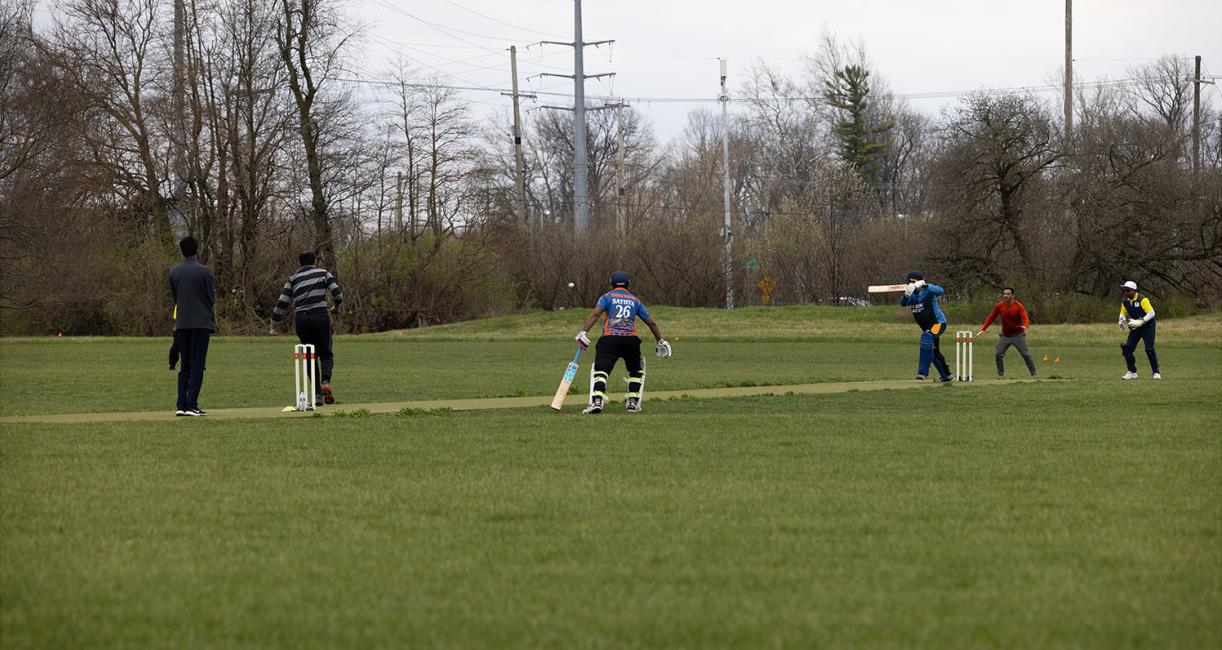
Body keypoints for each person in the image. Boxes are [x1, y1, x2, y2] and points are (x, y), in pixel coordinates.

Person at [574, 271, 671, 414]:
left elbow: (595, 314)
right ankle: (632, 402)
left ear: (612, 284)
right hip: (630, 341)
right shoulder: (635, 300)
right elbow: (651, 322)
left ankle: (597, 401)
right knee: (635, 371)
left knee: (601, 371)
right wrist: (660, 341)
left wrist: (584, 331)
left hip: (609, 339)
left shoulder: (607, 297)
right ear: (628, 284)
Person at [270, 251, 344, 404]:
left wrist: (274, 325)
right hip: (320, 317)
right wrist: (337, 308)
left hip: (302, 320)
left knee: (310, 356)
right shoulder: (323, 273)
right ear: (315, 261)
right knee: (326, 353)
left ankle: (317, 395)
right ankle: (325, 382)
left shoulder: (293, 279)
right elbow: (337, 293)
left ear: (300, 263)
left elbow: (282, 303)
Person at [169, 236, 216, 416]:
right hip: (201, 323)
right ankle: (192, 404)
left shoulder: (174, 272)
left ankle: (181, 405)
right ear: (197, 250)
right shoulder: (205, 272)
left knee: (185, 365)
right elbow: (210, 299)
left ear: (182, 250)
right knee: (198, 364)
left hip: (181, 323)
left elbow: (176, 297)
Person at [898, 271, 952, 382]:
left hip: (938, 323)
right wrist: (906, 295)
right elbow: (903, 303)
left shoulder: (927, 291)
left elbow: (940, 290)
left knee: (926, 338)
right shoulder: (913, 296)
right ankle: (946, 376)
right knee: (933, 351)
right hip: (927, 327)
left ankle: (922, 372)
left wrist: (925, 285)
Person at [976, 287, 1038, 379]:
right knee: (998, 354)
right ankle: (1000, 374)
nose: (1005, 295)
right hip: (1005, 336)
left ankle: (1034, 374)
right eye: (1004, 294)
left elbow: (1025, 318)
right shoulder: (1000, 306)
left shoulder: (1018, 306)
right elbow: (991, 317)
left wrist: (1025, 326)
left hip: (1018, 335)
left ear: (1013, 295)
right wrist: (983, 329)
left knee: (1026, 354)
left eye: (1008, 294)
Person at [1118, 280, 1161, 380]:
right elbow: (1123, 313)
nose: (1125, 293)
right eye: (1124, 291)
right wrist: (1121, 321)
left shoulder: (1143, 300)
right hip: (1136, 328)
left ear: (1133, 290)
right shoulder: (1125, 302)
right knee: (1127, 349)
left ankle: (1156, 372)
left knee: (1149, 349)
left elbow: (1151, 313)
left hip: (1148, 327)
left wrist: (1142, 321)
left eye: (1127, 290)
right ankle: (1132, 372)